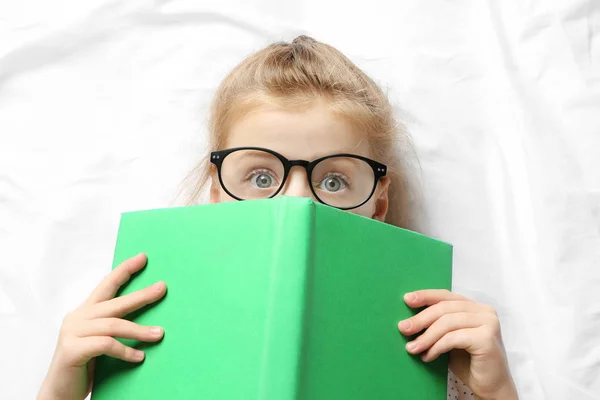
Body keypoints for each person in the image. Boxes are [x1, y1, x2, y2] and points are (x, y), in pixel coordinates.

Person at [38, 35, 518, 400]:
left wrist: (497, 391)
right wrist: (61, 386)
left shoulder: (436, 345)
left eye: (334, 181)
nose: (295, 202)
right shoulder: (130, 325)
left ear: (378, 201)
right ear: (215, 188)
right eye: (261, 177)